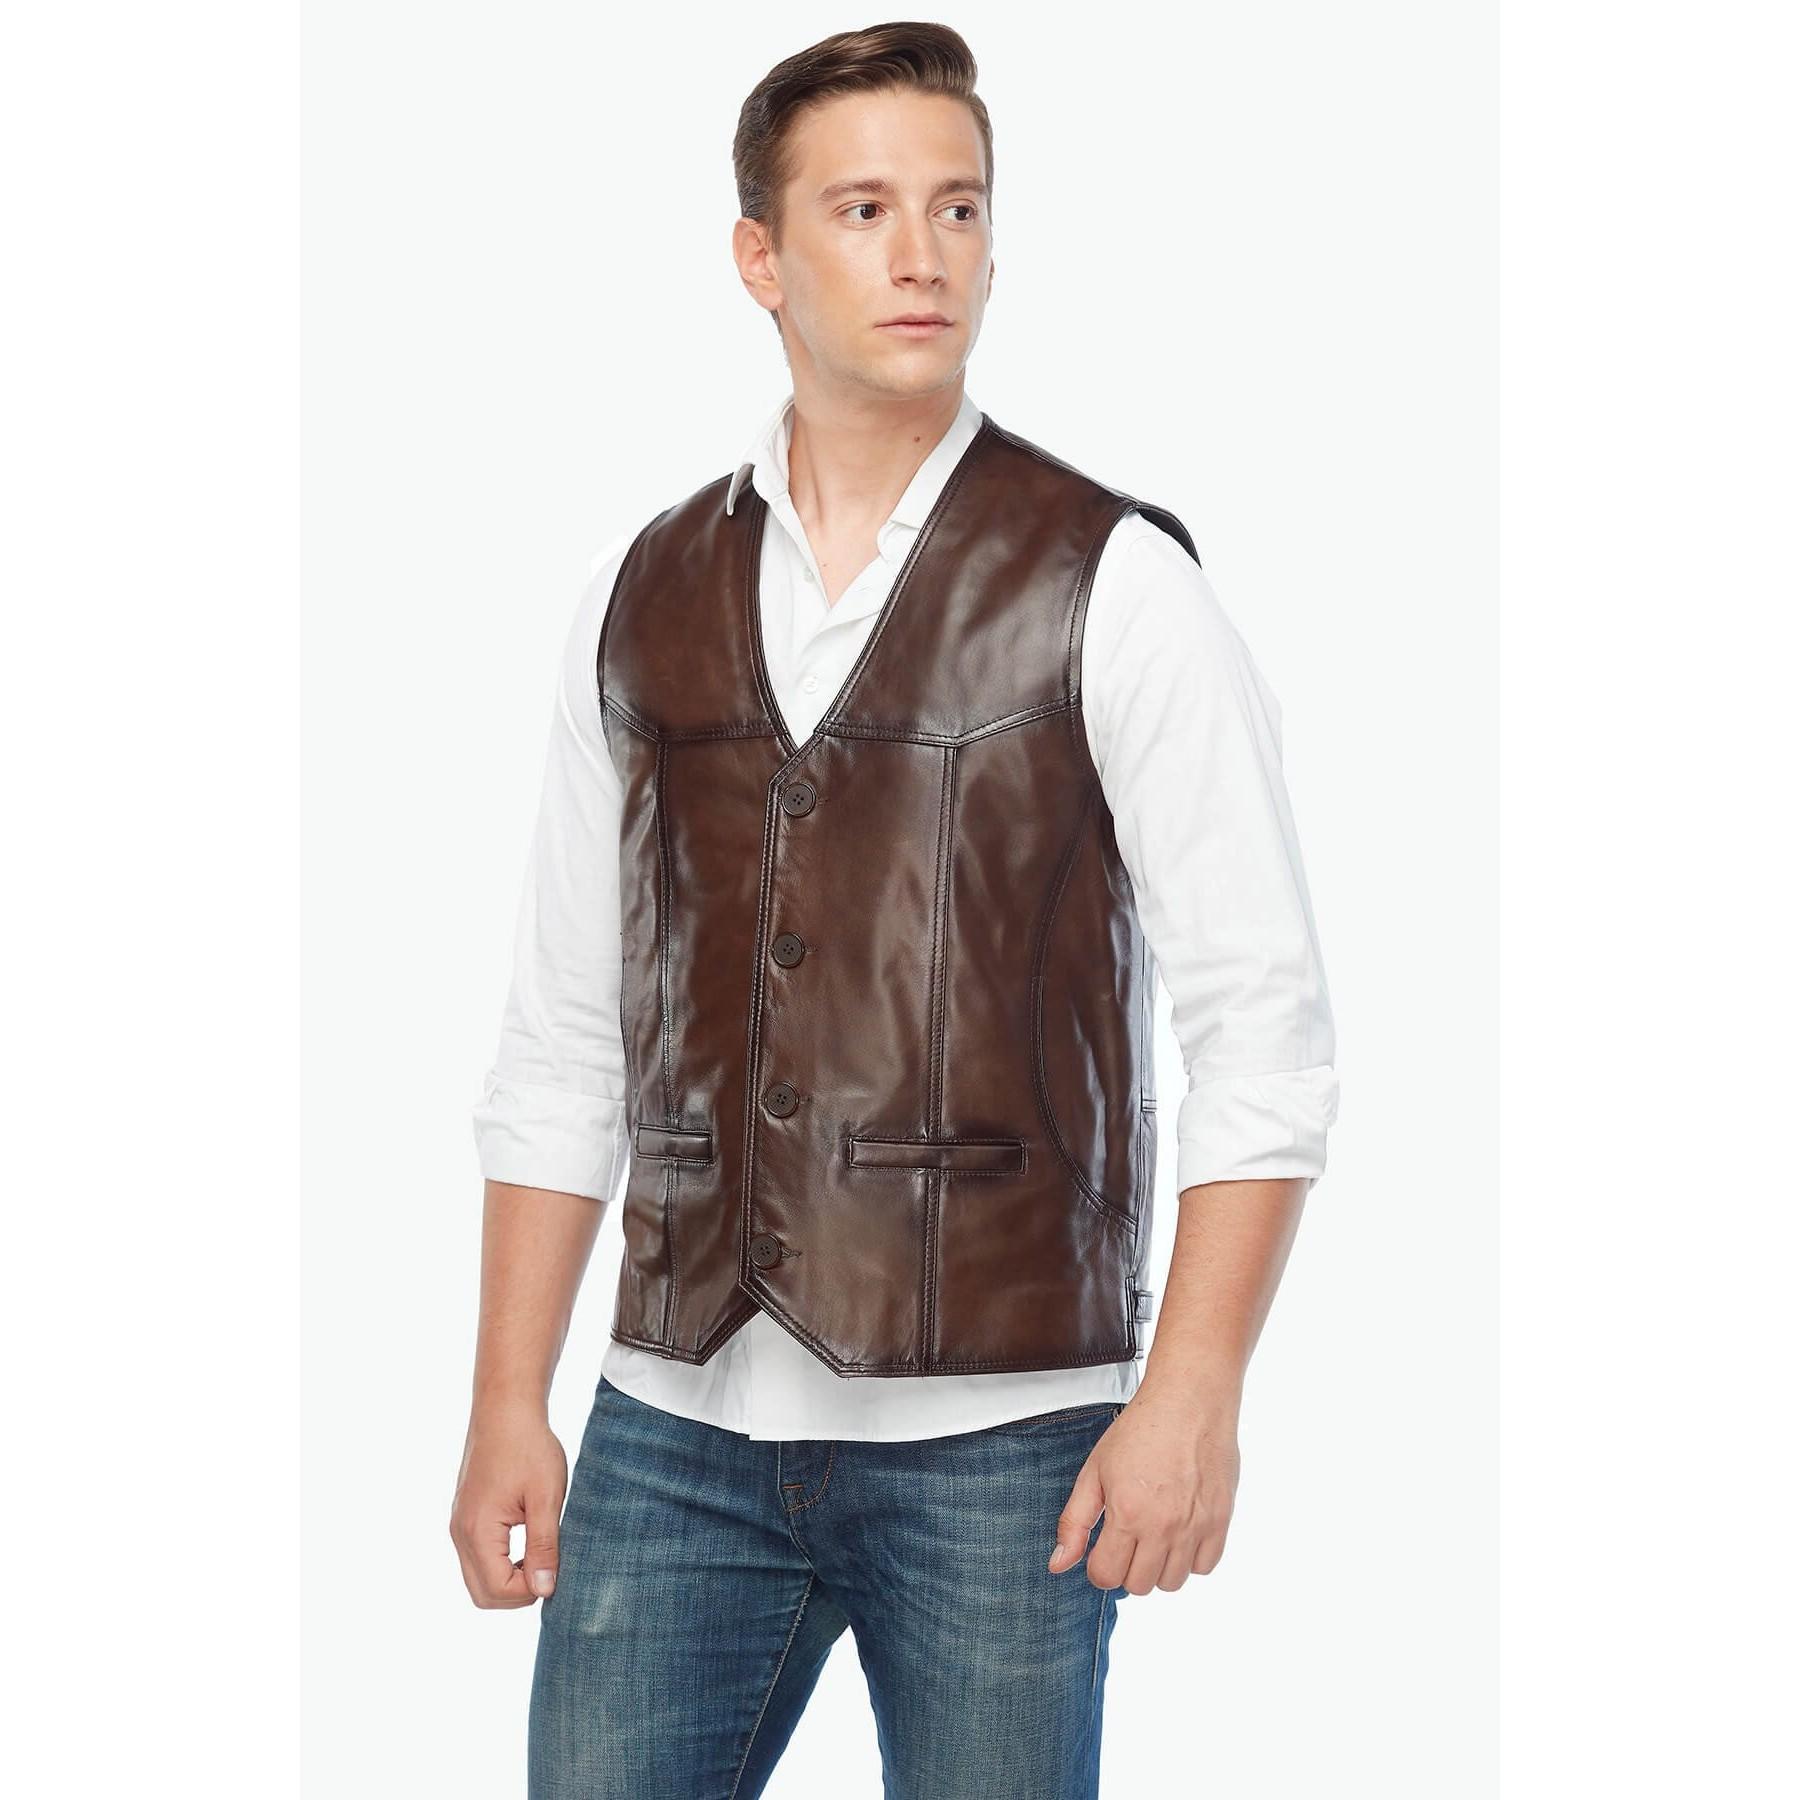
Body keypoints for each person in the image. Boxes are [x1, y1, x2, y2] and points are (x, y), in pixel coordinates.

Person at [448, 22, 1338, 1799]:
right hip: (674, 1429)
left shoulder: (1116, 583)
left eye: (959, 207)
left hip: (1001, 1448)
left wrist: (1192, 1394)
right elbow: (564, 1034)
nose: (923, 252)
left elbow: (1265, 1035)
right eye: (862, 210)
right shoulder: (643, 591)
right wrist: (503, 1399)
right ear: (760, 258)